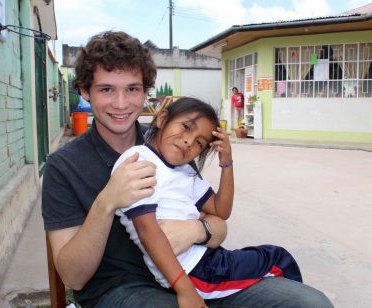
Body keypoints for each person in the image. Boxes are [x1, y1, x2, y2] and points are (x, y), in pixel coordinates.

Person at [42, 30, 333, 308]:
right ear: (84, 91)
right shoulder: (64, 166)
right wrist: (107, 202)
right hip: (122, 291)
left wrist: (197, 229)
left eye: (132, 89)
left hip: (197, 270)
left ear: (146, 93)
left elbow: (218, 225)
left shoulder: (169, 144)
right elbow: (73, 277)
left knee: (310, 302)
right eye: (106, 89)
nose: (120, 103)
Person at [113, 97, 303, 307]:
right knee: (278, 260)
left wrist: (227, 163)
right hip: (195, 272)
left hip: (206, 259)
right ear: (163, 119)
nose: (188, 141)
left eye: (199, 143)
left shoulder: (184, 170)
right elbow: (148, 231)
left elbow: (220, 210)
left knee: (268, 260)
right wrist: (184, 290)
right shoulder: (139, 160)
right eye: (186, 127)